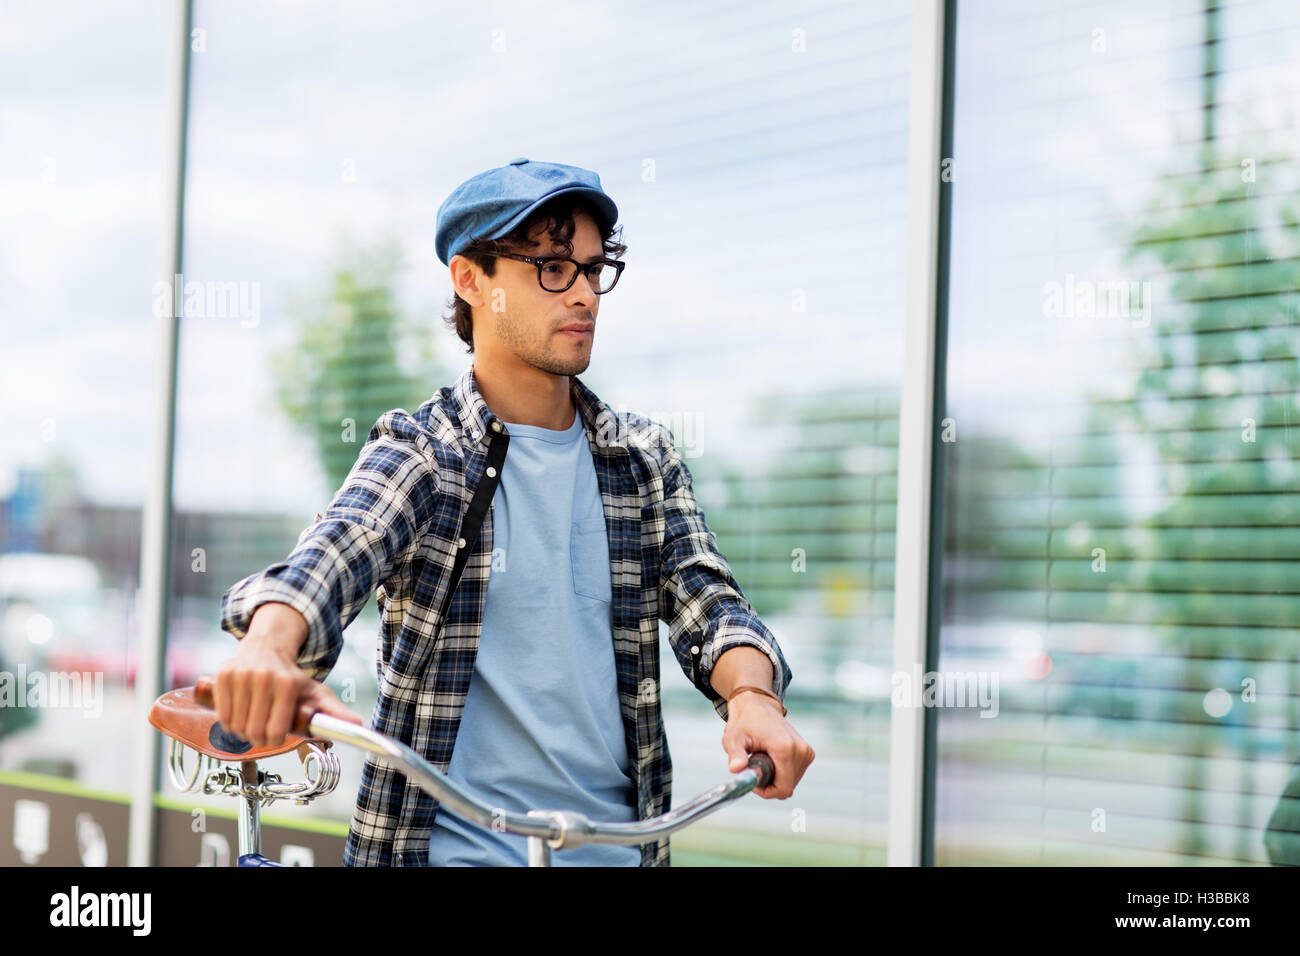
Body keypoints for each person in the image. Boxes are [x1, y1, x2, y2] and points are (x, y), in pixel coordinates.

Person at [214, 158, 814, 866]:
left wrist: (752, 697)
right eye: (553, 268)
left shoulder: (641, 460)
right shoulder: (426, 453)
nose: (585, 294)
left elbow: (708, 600)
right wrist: (270, 644)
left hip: (617, 853)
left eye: (594, 269)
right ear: (471, 280)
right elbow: (337, 551)